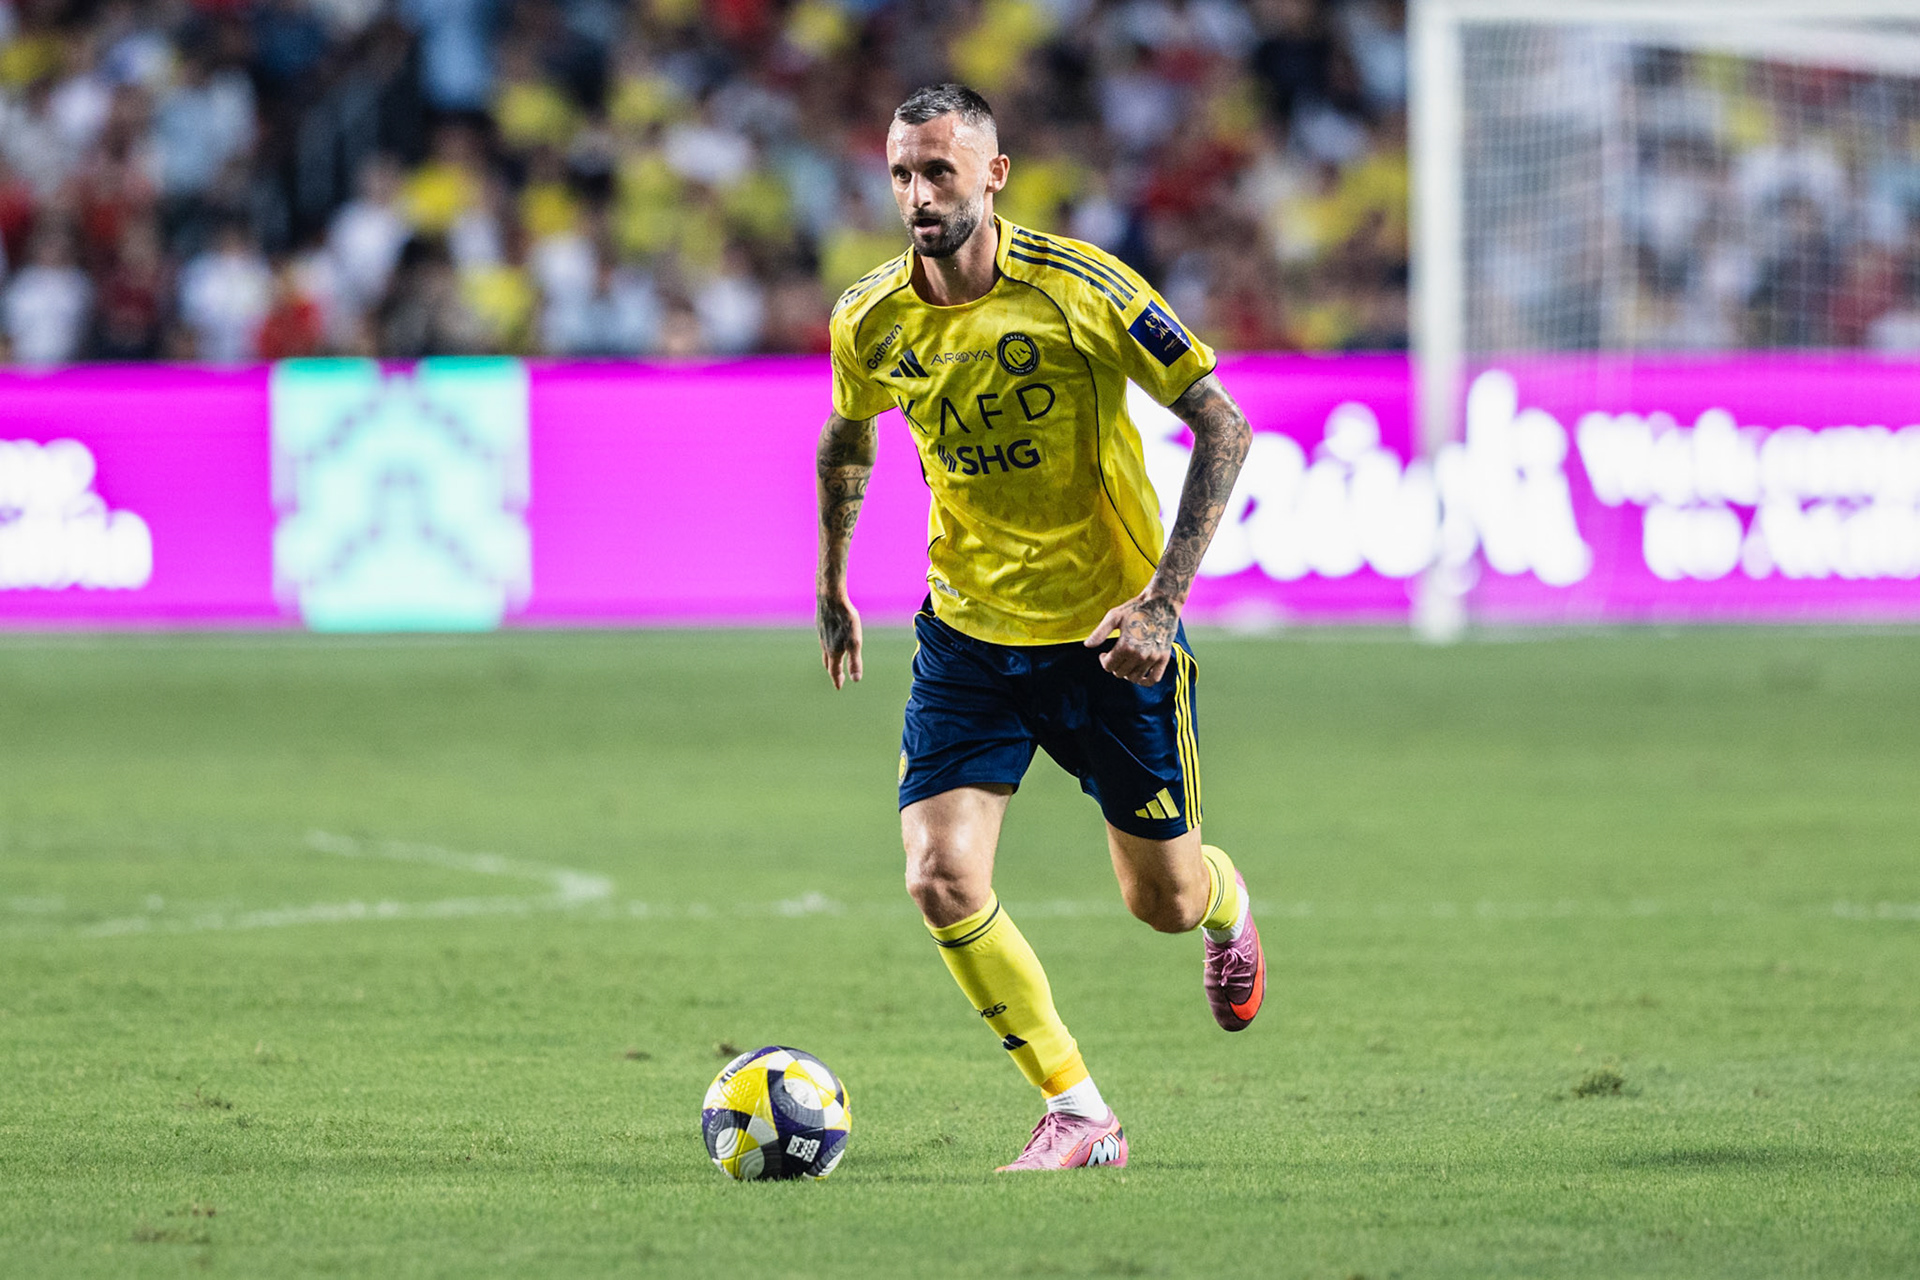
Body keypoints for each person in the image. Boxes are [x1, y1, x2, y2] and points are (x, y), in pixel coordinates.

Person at [815, 83, 1265, 1173]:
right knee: (939, 876)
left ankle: (1227, 905)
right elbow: (847, 437)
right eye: (901, 174)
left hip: (1109, 640)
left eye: (939, 170)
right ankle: (1077, 1107)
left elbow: (1222, 421)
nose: (918, 195)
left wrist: (1163, 602)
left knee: (1162, 902)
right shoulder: (869, 317)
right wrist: (832, 582)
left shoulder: (1079, 289)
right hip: (966, 634)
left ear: (994, 173)